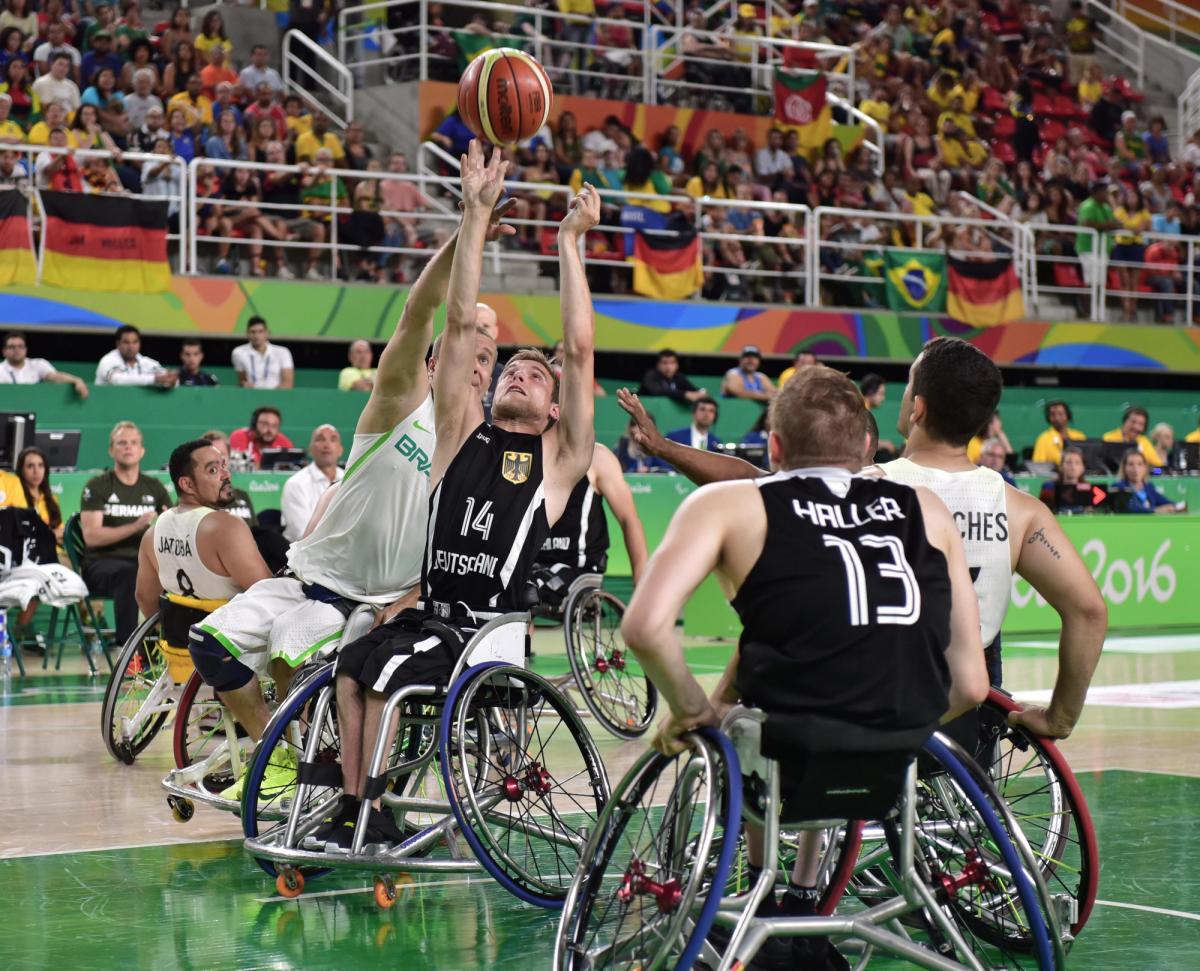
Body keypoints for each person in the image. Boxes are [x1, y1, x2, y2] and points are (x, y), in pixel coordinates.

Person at [620, 367, 988, 970]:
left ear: (774, 447)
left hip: (788, 754)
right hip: (899, 756)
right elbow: (972, 684)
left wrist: (692, 710)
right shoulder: (927, 510)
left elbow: (643, 627)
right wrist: (881, 725)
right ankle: (806, 895)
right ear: (867, 448)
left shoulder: (733, 504)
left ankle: (764, 899)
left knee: (746, 719)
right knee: (799, 690)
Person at [187, 183, 518, 803]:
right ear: (434, 361)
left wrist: (417, 596)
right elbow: (419, 313)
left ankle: (324, 773)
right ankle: (278, 753)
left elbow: (469, 551)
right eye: (464, 347)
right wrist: (464, 233)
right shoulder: (400, 400)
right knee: (210, 644)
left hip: (372, 600)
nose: (476, 361)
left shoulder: (485, 453)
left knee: (292, 652)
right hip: (312, 573)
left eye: (488, 355)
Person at [318, 144, 600, 850]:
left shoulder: (558, 463)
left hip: (487, 637)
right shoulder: (458, 432)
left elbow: (582, 348)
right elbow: (454, 325)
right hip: (430, 620)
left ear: (556, 412)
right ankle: (359, 805)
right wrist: (472, 215)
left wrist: (570, 243)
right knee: (349, 667)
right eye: (513, 370)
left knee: (380, 670)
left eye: (537, 378)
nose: (518, 377)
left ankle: (368, 804)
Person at [878, 338, 1107, 729]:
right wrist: (1060, 718)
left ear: (918, 407)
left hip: (876, 694)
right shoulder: (1020, 509)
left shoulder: (862, 487)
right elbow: (1088, 611)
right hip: (968, 707)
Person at [134, 440, 272, 660]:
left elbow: (144, 597)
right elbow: (270, 595)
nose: (226, 474)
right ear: (187, 485)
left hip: (179, 652)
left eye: (224, 465)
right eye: (213, 470)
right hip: (233, 653)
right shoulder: (225, 527)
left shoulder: (152, 533)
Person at [80, 421, 172, 644]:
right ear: (111, 450)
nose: (128, 447)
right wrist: (136, 526)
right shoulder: (98, 486)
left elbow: (171, 524)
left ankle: (173, 644)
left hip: (145, 561)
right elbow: (91, 536)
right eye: (122, 443)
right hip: (101, 564)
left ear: (142, 451)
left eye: (133, 443)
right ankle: (128, 650)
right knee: (131, 573)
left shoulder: (155, 487)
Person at [532, 443, 648, 614]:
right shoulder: (531, 450)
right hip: (536, 563)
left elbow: (628, 520)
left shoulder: (598, 457)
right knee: (508, 585)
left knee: (527, 589)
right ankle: (520, 638)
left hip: (579, 566)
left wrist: (642, 589)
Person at [280, 424, 344, 542]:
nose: (327, 445)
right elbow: (302, 535)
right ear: (310, 450)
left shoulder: (350, 480)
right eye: (320, 439)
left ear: (340, 450)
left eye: (333, 439)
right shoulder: (295, 484)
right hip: (306, 555)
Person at [1, 331, 88, 397]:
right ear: (4, 351)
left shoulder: (38, 364)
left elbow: (55, 376)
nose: (17, 350)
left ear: (26, 349)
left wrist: (76, 380)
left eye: (20, 346)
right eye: (12, 347)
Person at [95, 324, 177, 388]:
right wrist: (154, 379)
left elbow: (169, 379)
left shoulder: (147, 362)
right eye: (126, 342)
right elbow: (117, 380)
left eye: (135, 342)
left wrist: (169, 380)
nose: (131, 347)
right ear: (118, 344)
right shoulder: (108, 360)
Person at [231, 316, 295, 390]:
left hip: (277, 397)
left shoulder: (283, 352)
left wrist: (270, 396)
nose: (256, 336)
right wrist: (244, 386)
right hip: (252, 396)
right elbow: (242, 381)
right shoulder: (238, 353)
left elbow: (287, 384)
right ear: (247, 333)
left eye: (260, 331)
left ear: (266, 333)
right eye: (253, 332)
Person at [1111, 449, 1178, 514]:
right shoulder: (1119, 487)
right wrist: (1155, 511)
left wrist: (1175, 507)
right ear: (1124, 468)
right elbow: (1132, 509)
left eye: (1139, 464)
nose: (1135, 469)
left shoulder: (1149, 487)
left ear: (1145, 467)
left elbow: (1166, 502)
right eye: (1131, 464)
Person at [1038, 446, 1101, 514]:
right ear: (1061, 467)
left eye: (1077, 463)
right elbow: (1042, 511)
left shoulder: (1087, 488)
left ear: (1082, 468)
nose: (1073, 467)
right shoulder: (1049, 487)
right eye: (1069, 462)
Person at [228, 406, 295, 470]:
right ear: (254, 424)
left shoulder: (283, 441)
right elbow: (239, 464)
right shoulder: (240, 436)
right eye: (265, 424)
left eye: (274, 425)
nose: (269, 430)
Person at [637, 348, 708, 404]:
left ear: (677, 365)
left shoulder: (679, 377)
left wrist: (700, 393)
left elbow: (693, 390)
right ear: (658, 365)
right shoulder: (650, 376)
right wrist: (684, 395)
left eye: (672, 363)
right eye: (665, 363)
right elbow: (658, 391)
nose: (669, 367)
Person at [1032, 400, 1086, 466]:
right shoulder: (1043, 438)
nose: (1057, 418)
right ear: (1048, 418)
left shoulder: (1079, 436)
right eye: (1052, 415)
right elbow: (1038, 465)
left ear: (1068, 415)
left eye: (1061, 414)